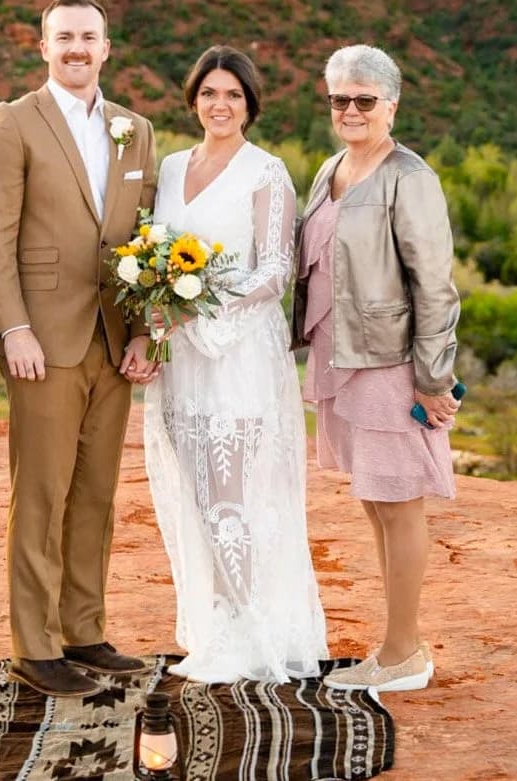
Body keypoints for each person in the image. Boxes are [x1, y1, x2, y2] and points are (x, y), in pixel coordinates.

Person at [0, 0, 159, 698]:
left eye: (88, 37)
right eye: (64, 36)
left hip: (115, 338)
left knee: (96, 494)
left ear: (106, 48)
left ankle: (84, 629)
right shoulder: (11, 122)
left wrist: (145, 329)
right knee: (41, 493)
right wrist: (11, 326)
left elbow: (148, 234)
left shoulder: (134, 129)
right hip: (41, 341)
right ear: (43, 46)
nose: (77, 48)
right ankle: (35, 644)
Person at [140, 46, 328, 683]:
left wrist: (197, 303)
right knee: (197, 496)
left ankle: (249, 634)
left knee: (232, 497)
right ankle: (215, 625)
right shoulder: (171, 168)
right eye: (209, 93)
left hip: (239, 352)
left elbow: (275, 270)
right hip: (182, 358)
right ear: (193, 99)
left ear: (250, 105)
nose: (220, 105)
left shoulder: (265, 171)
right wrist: (160, 309)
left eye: (233, 96)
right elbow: (155, 252)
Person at [293, 45, 461, 695]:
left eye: (364, 99)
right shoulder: (330, 169)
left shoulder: (409, 177)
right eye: (339, 99)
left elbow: (435, 285)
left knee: (398, 504)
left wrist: (433, 377)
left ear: (391, 104)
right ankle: (397, 644)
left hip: (390, 363)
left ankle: (402, 654)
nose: (351, 110)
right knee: (374, 501)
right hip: (341, 356)